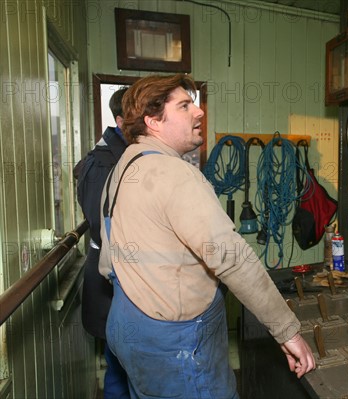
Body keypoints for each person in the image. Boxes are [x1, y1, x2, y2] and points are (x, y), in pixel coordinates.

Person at [98, 74, 315, 398]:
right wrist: (288, 331)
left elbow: (107, 260)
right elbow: (233, 259)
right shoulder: (175, 174)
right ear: (153, 120)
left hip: (127, 324)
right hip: (177, 345)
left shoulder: (123, 168)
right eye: (185, 106)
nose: (198, 113)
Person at [74, 88, 130, 398]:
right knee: (121, 373)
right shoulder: (103, 164)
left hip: (123, 282)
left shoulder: (122, 154)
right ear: (121, 120)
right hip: (111, 284)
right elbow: (101, 225)